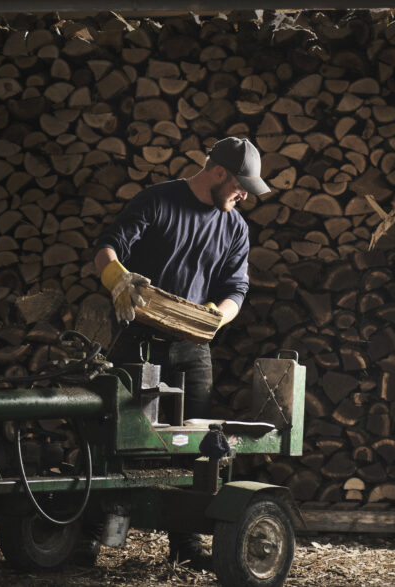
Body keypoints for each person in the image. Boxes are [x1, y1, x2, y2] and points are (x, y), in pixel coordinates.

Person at [91, 135, 271, 567]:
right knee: (116, 442)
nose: (244, 194)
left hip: (193, 347)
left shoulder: (235, 227)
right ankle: (98, 537)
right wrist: (117, 278)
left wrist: (218, 315)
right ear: (218, 172)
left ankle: (185, 546)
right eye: (240, 184)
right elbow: (106, 247)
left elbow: (237, 288)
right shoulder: (157, 201)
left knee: (196, 447)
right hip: (138, 340)